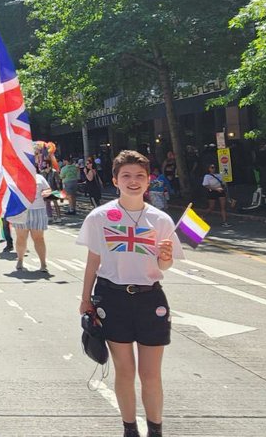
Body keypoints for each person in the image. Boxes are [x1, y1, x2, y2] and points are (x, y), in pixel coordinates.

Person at [77, 150, 183, 437]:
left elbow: (165, 265)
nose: (133, 181)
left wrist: (166, 256)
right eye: (126, 176)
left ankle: (155, 430)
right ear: (115, 180)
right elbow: (93, 262)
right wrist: (85, 299)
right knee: (125, 371)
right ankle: (129, 429)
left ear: (149, 181)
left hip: (150, 299)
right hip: (112, 298)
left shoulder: (160, 220)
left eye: (139, 176)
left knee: (150, 374)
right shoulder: (100, 217)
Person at [13, 171, 53, 272]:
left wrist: (46, 192)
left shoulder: (39, 177)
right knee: (21, 237)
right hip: (21, 210)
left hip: (38, 210)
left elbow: (48, 189)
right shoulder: (16, 176)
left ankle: (43, 264)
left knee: (39, 238)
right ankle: (20, 260)